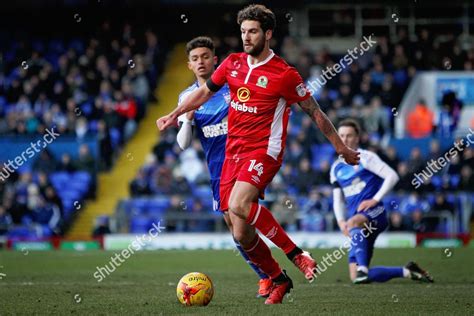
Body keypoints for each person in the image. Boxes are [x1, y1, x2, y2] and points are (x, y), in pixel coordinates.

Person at [157, 4, 359, 304]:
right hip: (232, 154)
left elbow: (314, 112)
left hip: (264, 150)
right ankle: (278, 278)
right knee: (241, 234)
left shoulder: (285, 74)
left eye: (252, 31)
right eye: (243, 32)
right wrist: (175, 113)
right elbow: (203, 93)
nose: (246, 37)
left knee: (240, 204)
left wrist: (340, 147)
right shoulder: (232, 63)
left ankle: (298, 255)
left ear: (268, 34)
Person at [175, 36, 272, 297]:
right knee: (235, 229)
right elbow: (183, 145)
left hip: (245, 159)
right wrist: (186, 120)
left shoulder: (232, 85)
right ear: (189, 65)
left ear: (215, 60)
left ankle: (270, 275)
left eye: (205, 56)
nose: (201, 62)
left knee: (240, 221)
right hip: (218, 169)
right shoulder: (187, 97)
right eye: (195, 59)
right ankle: (267, 273)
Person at [330, 119, 433, 284]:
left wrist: (374, 199)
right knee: (355, 278)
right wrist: (341, 221)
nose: (345, 139)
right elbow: (337, 199)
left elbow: (392, 176)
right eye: (341, 136)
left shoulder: (366, 157)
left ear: (357, 138)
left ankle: (363, 268)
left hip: (375, 213)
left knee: (355, 224)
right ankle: (407, 271)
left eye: (349, 135)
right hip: (355, 221)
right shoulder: (336, 168)